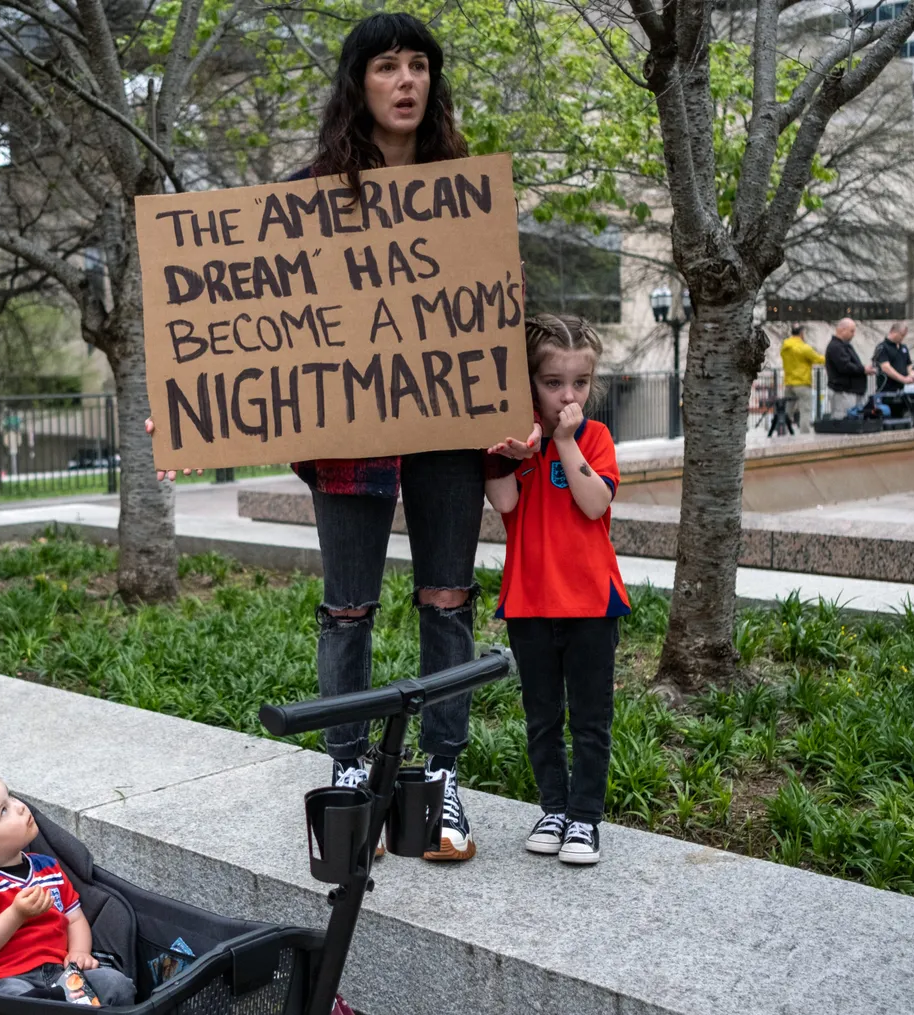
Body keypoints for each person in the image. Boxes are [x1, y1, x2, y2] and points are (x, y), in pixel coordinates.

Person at [148, 12, 541, 862]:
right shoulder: (305, 194)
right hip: (349, 440)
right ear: (357, 83)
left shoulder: (462, 191)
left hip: (446, 433)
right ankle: (351, 769)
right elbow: (247, 327)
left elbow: (495, 320)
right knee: (346, 610)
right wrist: (196, 406)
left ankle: (441, 778)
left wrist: (517, 410)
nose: (406, 81)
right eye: (387, 67)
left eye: (420, 66)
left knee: (448, 601)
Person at [484, 314, 629, 866]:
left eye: (580, 383)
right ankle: (553, 807)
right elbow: (504, 503)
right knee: (542, 715)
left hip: (593, 604)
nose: (568, 394)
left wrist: (565, 441)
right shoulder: (514, 445)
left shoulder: (595, 438)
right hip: (530, 603)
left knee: (591, 719)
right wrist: (502, 454)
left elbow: (595, 503)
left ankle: (585, 818)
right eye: (552, 383)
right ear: (529, 384)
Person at [0, 775, 137, 1005]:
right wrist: (16, 914)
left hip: (60, 975)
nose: (21, 806)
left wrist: (79, 952)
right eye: (4, 811)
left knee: (118, 985)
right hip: (4, 977)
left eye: (11, 797)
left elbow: (74, 918)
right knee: (17, 1001)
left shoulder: (49, 868)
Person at [825, 318, 875, 418]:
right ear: (842, 330)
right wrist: (863, 370)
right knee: (844, 418)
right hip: (844, 391)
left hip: (852, 391)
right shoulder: (836, 347)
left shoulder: (844, 346)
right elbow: (845, 366)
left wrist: (862, 369)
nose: (854, 334)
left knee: (853, 418)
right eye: (851, 331)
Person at [780, 324, 825, 433]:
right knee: (805, 410)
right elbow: (818, 359)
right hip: (802, 383)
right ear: (801, 333)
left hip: (788, 383)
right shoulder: (804, 347)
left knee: (788, 410)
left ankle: (783, 431)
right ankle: (804, 434)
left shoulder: (785, 347)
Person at [872, 322, 914, 394]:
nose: (903, 338)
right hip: (887, 390)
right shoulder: (882, 347)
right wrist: (903, 379)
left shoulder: (903, 347)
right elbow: (886, 368)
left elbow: (909, 364)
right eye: (901, 335)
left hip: (903, 390)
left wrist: (911, 374)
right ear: (893, 332)